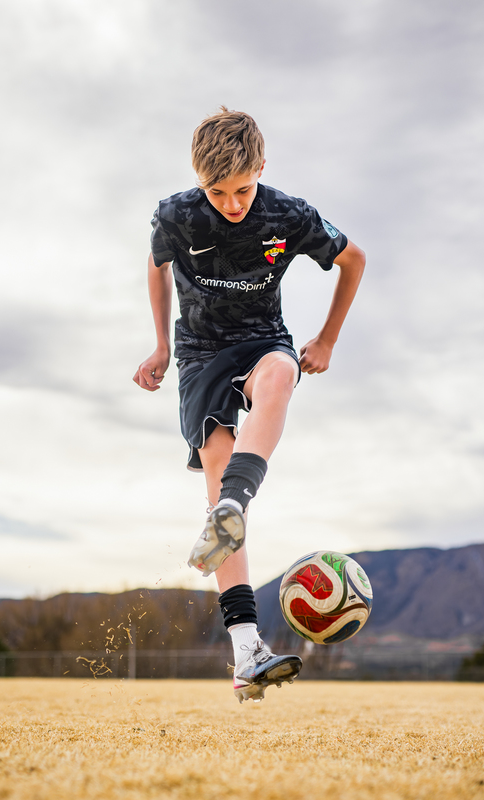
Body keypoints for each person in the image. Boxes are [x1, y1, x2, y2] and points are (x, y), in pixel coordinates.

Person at [134, 107, 365, 703]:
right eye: (218, 192)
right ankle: (246, 654)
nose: (232, 203)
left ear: (262, 167)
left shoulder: (287, 214)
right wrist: (161, 344)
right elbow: (157, 268)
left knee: (281, 373)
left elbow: (353, 260)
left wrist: (328, 339)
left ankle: (234, 504)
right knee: (217, 458)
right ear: (197, 181)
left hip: (264, 339)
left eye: (242, 189)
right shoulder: (175, 215)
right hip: (200, 352)